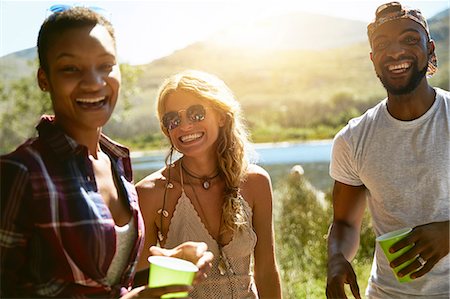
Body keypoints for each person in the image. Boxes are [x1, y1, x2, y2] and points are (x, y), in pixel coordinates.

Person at [0, 6, 212, 298]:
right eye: (70, 68)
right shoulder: (19, 172)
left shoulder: (117, 163)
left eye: (106, 65)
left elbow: (109, 284)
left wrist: (164, 267)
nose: (94, 82)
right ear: (44, 79)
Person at [326, 2, 449, 299]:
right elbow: (344, 223)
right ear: (373, 58)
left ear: (429, 49)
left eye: (409, 39)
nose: (395, 52)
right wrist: (336, 260)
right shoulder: (353, 139)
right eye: (383, 44)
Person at [134, 70, 282, 298]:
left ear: (221, 116)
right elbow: (143, 287)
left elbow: (266, 272)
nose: (184, 127)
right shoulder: (149, 194)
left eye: (195, 114)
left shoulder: (255, 183)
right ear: (166, 130)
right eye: (172, 119)